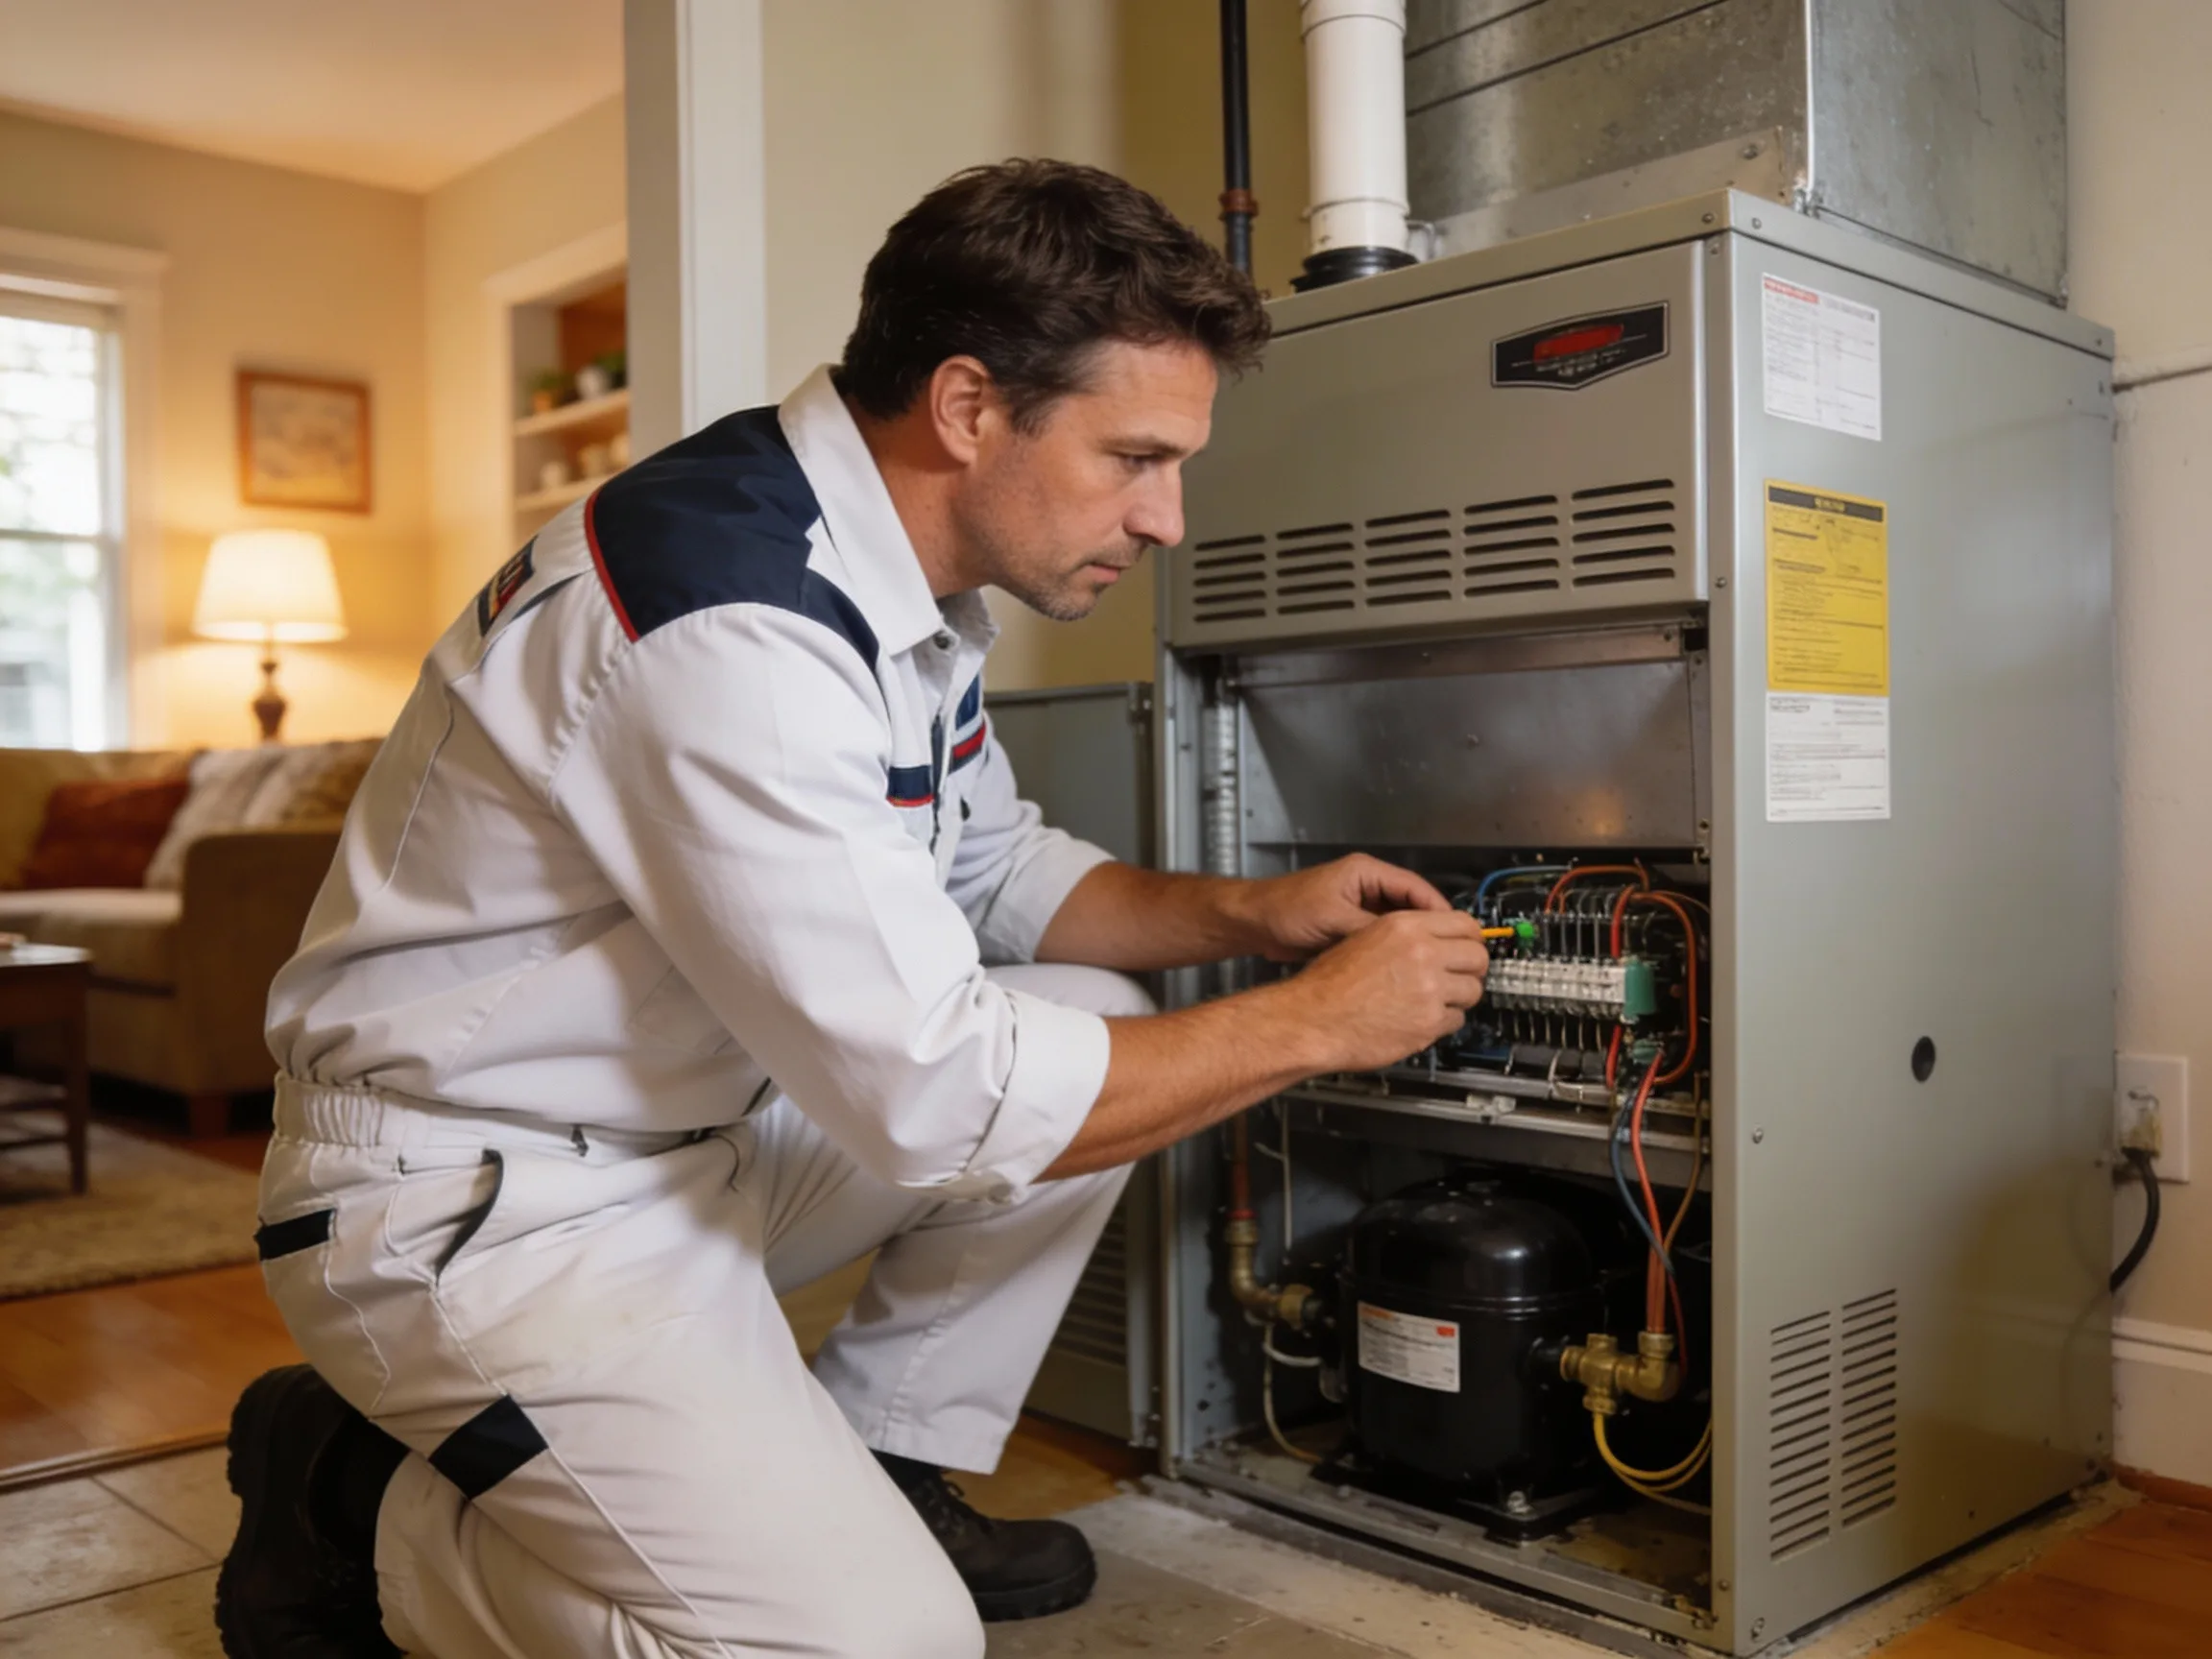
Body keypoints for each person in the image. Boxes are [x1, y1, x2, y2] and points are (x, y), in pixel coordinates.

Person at [217, 158, 1492, 1659]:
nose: (1168, 519)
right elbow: (941, 1101)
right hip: (473, 1203)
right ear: (967, 408)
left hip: (684, 1141)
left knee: (1090, 1018)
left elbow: (997, 872)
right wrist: (1320, 1024)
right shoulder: (733, 621)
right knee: (882, 1650)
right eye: (1135, 457)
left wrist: (1257, 914)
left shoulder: (883, 575)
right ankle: (356, 1509)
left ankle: (887, 1475)